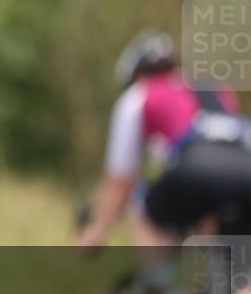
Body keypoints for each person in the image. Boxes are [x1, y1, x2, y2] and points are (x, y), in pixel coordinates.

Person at [77, 28, 246, 248]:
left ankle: (158, 278)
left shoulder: (138, 94)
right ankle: (220, 279)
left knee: (140, 204)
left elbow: (120, 181)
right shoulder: (216, 88)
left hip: (197, 165)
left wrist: (94, 234)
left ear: (136, 75)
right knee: (232, 264)